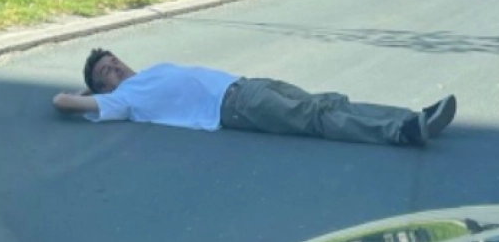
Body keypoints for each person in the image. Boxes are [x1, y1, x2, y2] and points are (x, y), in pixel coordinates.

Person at [52, 49, 458, 147]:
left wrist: (99, 78)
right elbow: (61, 102)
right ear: (103, 88)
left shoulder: (148, 73)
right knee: (315, 118)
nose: (116, 67)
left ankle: (411, 118)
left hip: (245, 85)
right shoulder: (122, 100)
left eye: (113, 60)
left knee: (330, 102)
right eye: (107, 71)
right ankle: (401, 132)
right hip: (235, 107)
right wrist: (90, 89)